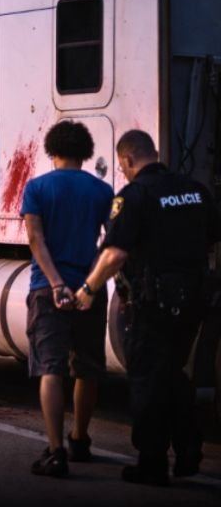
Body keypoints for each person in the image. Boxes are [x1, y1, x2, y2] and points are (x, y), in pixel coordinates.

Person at [75, 129, 220, 486]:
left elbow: (115, 253)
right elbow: (212, 235)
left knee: (146, 380)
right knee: (173, 373)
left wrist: (88, 289)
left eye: (122, 166)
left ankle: (152, 462)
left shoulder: (134, 196)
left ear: (126, 159)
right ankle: (188, 450)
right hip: (193, 300)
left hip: (153, 302)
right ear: (155, 152)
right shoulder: (196, 191)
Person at [20, 120, 114, 478]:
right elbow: (110, 242)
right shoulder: (102, 191)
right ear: (85, 152)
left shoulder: (38, 188)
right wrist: (88, 283)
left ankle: (55, 450)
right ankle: (80, 439)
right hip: (89, 290)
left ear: (52, 150)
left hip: (47, 289)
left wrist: (57, 283)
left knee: (51, 368)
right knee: (87, 368)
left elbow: (35, 239)